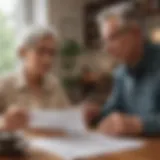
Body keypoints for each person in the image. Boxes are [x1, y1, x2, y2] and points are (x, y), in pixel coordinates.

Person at [84, 3, 160, 136]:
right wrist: (96, 113)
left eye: (112, 38)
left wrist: (138, 124)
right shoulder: (120, 73)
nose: (107, 48)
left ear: (136, 33)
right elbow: (113, 109)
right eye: (105, 41)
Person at [0, 26, 70, 131]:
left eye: (52, 53)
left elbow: (67, 120)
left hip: (52, 146)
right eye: (40, 51)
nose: (48, 60)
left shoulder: (54, 84)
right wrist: (4, 122)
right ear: (22, 52)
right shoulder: (5, 85)